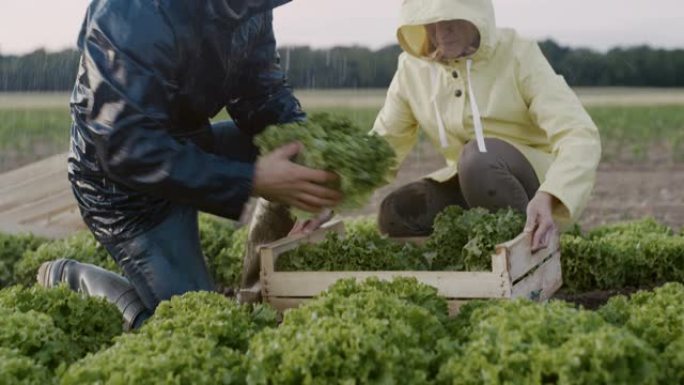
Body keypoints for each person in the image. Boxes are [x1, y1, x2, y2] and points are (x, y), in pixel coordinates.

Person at [37, 0, 342, 330]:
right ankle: (80, 282)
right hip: (124, 188)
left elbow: (260, 93)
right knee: (198, 330)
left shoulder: (251, 7)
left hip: (188, 145)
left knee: (291, 149)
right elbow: (126, 146)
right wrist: (250, 179)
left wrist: (314, 157)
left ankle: (256, 292)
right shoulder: (132, 10)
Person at [373, 0, 601, 250]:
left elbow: (579, 134)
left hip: (533, 186)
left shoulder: (518, 53)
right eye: (431, 21)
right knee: (396, 212)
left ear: (476, 15)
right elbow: (382, 145)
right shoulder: (411, 69)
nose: (442, 30)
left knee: (479, 159)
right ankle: (477, 254)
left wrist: (551, 195)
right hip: (468, 178)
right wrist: (332, 189)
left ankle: (525, 251)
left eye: (452, 18)